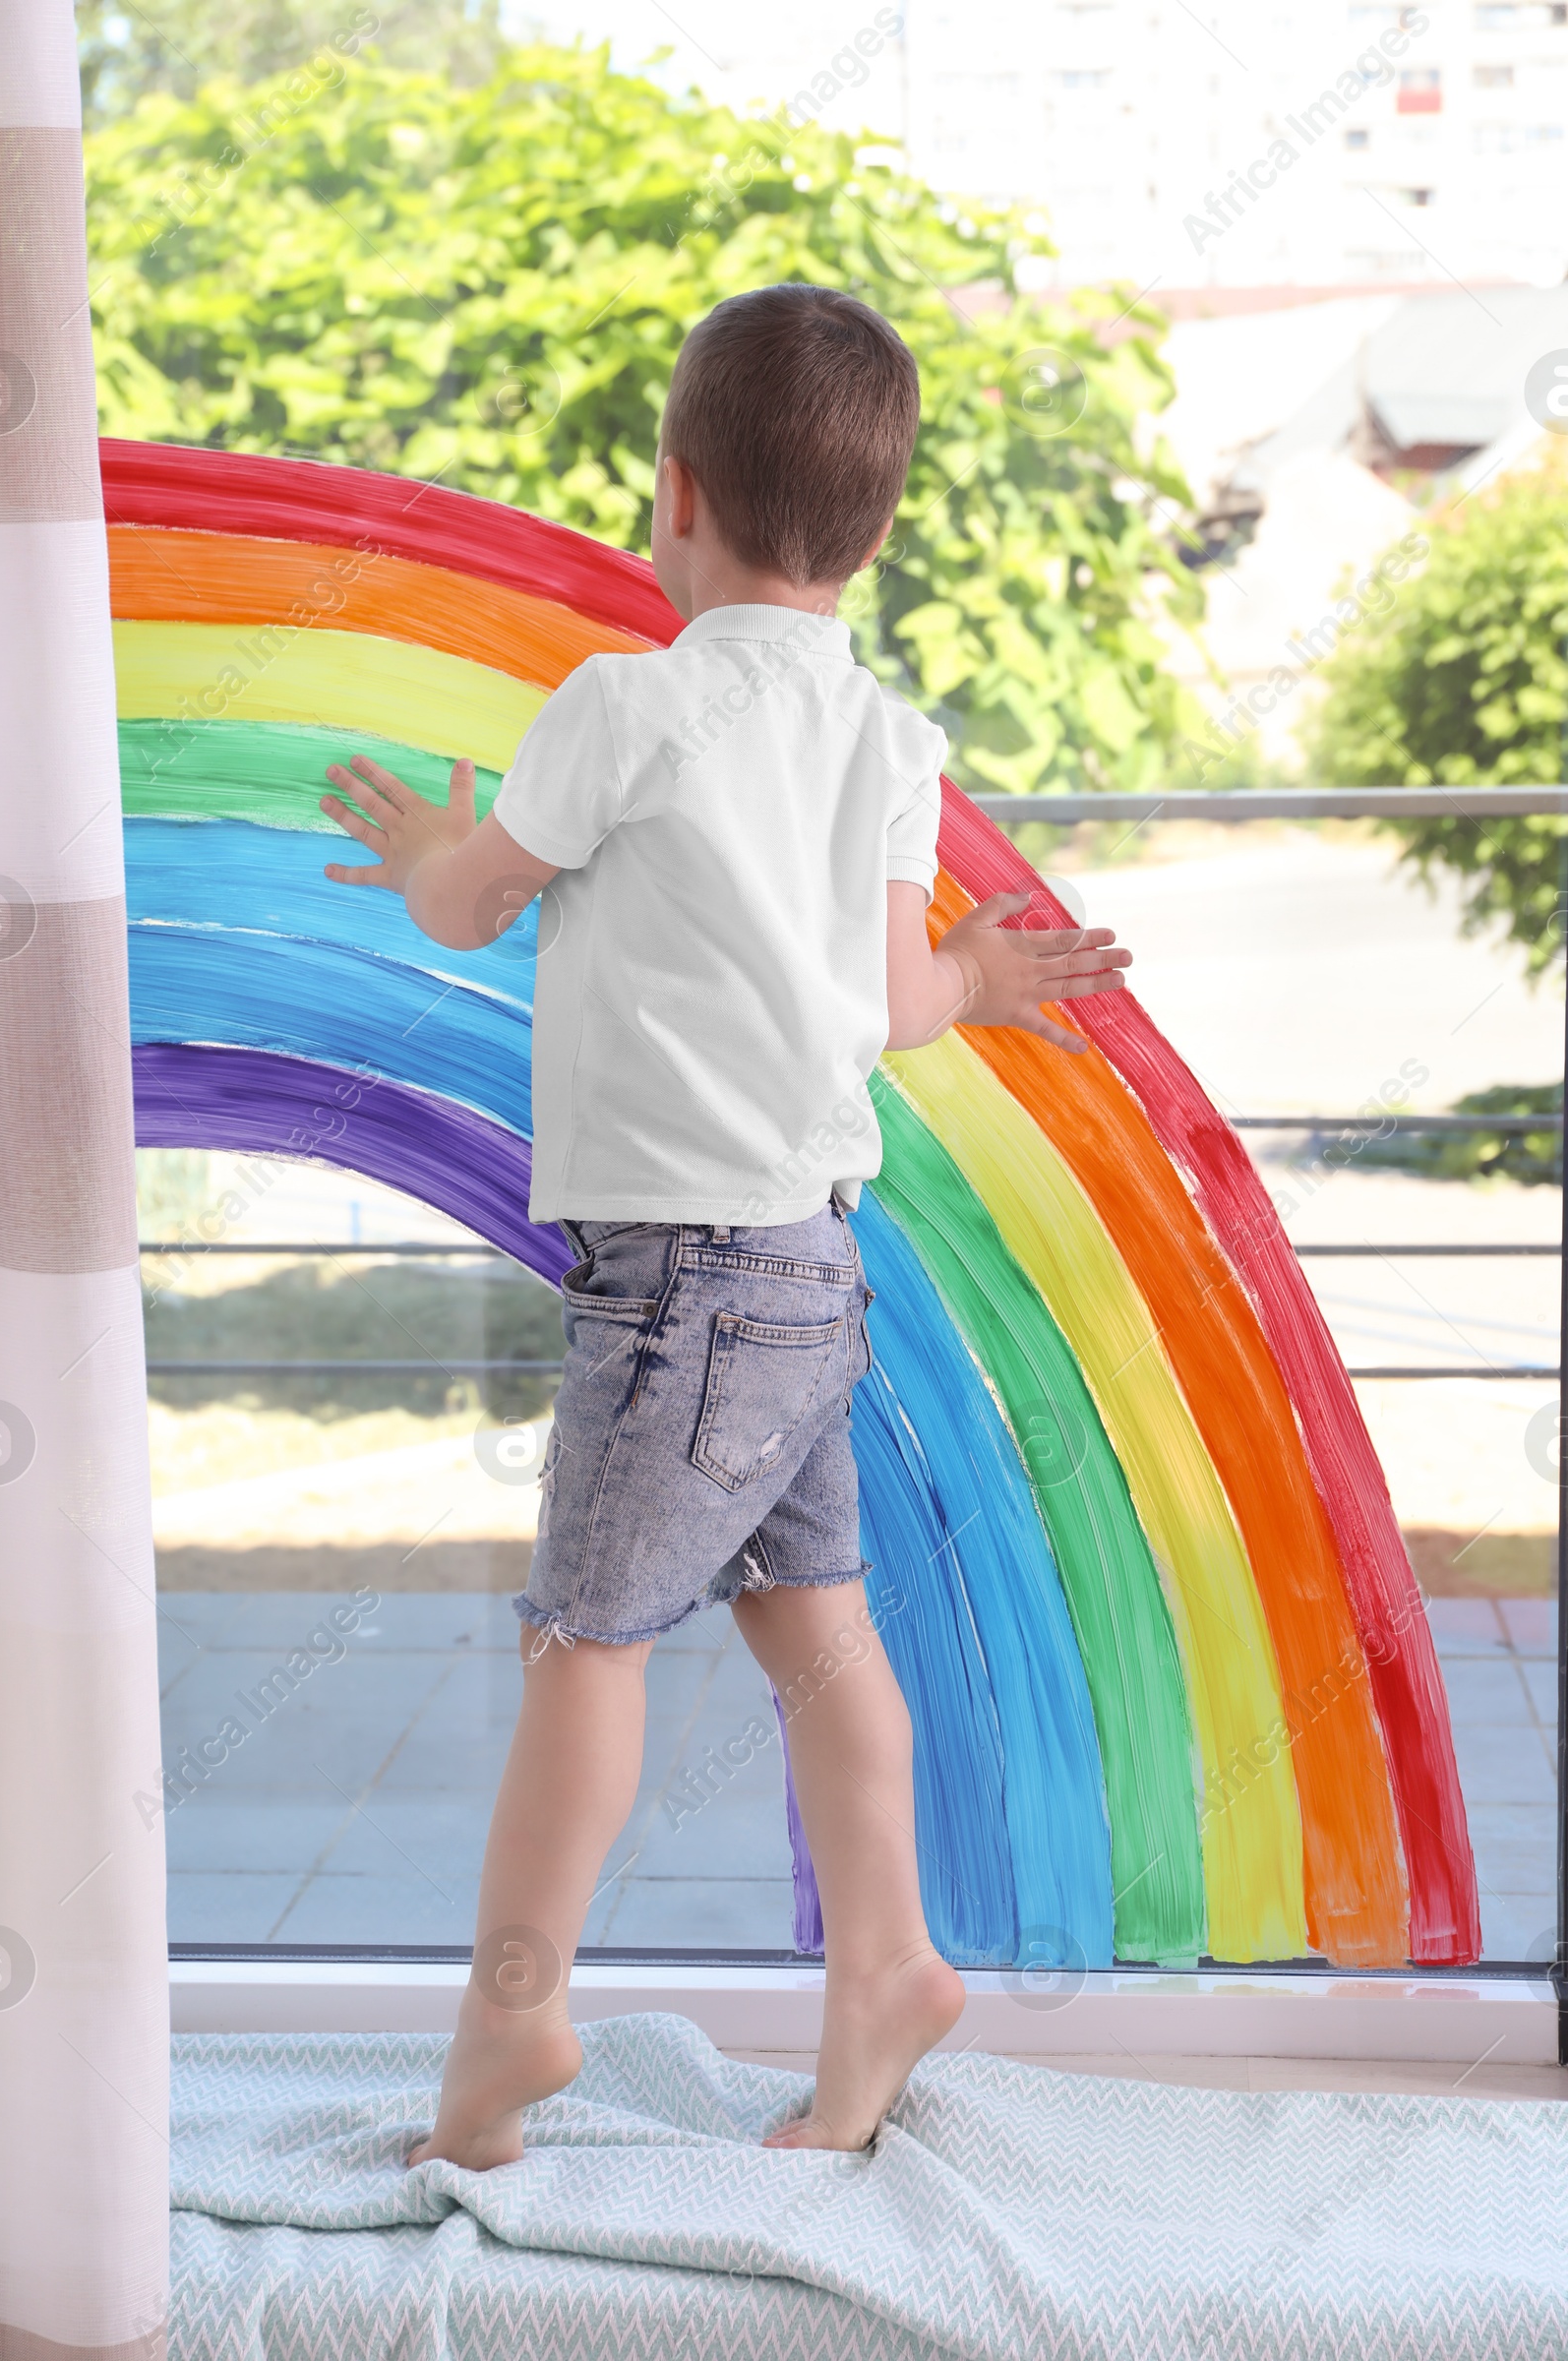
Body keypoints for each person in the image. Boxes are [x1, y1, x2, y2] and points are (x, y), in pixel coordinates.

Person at [319, 282, 1131, 2167]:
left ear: (671, 495)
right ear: (875, 528)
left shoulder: (633, 701)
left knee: (585, 1645)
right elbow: (891, 1008)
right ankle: (895, 1973)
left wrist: (440, 850)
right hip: (809, 1270)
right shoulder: (892, 745)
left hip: (683, 1288)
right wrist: (982, 986)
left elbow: (469, 909)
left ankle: (507, 2032)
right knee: (818, 1636)